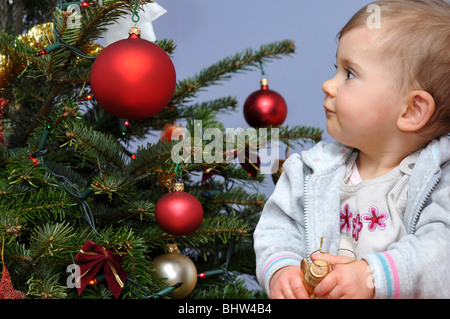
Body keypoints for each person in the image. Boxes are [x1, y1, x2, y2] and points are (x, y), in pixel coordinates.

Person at [254, 0, 450, 299]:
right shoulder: (311, 172)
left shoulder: (439, 179)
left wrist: (372, 276)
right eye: (336, 69)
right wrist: (283, 269)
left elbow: (440, 250)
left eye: (350, 74)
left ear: (411, 110)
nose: (327, 85)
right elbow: (277, 228)